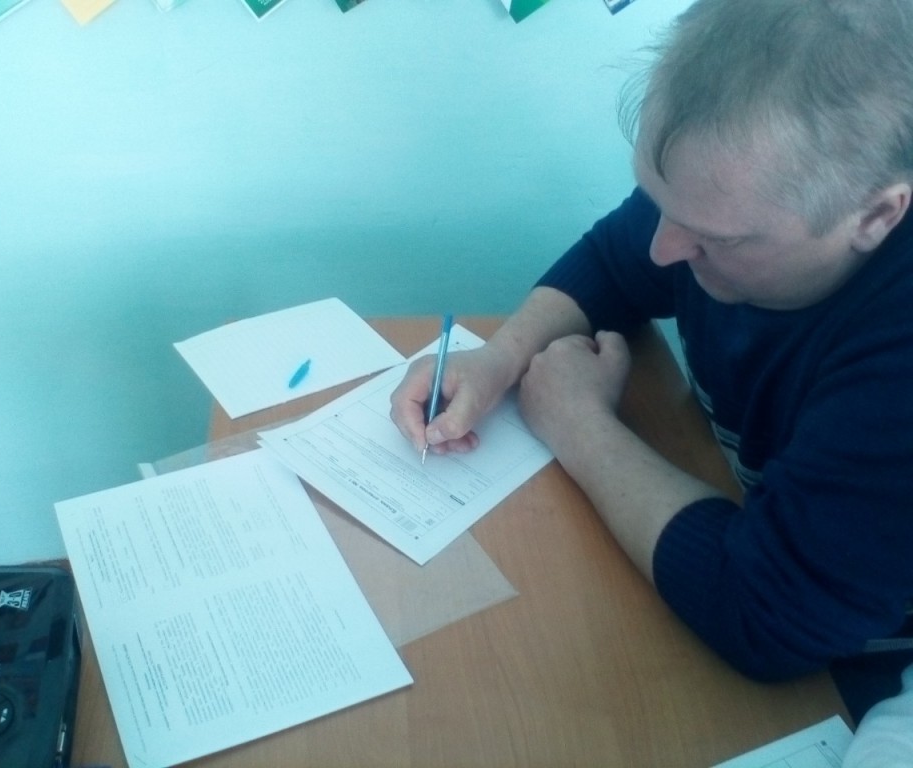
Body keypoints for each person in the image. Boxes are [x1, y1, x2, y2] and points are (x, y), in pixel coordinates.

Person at [390, 0, 913, 713]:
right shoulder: (726, 196)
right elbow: (616, 260)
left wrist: (578, 423)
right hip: (758, 523)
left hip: (867, 668)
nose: (665, 249)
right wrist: (499, 359)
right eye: (656, 199)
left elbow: (766, 617)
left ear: (876, 215)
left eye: (716, 239)